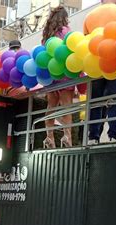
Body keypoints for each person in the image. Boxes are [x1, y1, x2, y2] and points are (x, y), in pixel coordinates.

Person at [83, 0, 116, 144]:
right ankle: (113, 135)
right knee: (115, 99)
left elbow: (85, 41)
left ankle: (93, 137)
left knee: (95, 101)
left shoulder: (90, 16)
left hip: (95, 62)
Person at [41, 6, 74, 148]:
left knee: (51, 106)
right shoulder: (66, 32)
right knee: (67, 106)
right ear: (65, 18)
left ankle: (49, 137)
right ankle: (67, 136)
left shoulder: (46, 35)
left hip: (51, 74)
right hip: (65, 73)